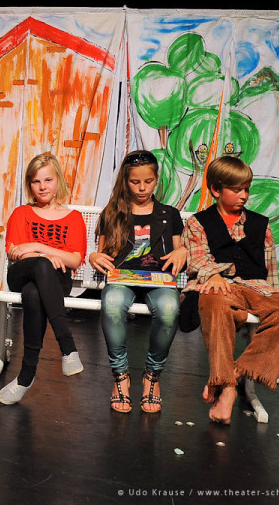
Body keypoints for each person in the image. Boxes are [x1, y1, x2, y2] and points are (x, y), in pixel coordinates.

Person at [182, 155, 279, 424]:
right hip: (217, 285)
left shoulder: (260, 224)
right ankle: (227, 390)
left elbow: (270, 268)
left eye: (246, 189)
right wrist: (214, 274)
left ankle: (231, 374)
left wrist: (275, 298)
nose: (244, 195)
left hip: (255, 286)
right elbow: (198, 259)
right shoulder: (198, 222)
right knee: (215, 300)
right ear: (216, 190)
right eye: (237, 190)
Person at [89, 150, 186, 413]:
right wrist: (94, 256)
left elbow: (178, 251)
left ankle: (152, 376)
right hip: (122, 277)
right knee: (112, 303)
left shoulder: (169, 214)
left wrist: (182, 252)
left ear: (156, 180)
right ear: (126, 181)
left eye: (148, 181)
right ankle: (120, 376)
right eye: (135, 182)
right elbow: (102, 252)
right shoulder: (113, 212)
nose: (142, 188)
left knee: (169, 309)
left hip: (158, 279)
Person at [0, 153, 87, 405]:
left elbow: (74, 260)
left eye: (48, 180)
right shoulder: (22, 213)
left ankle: (26, 375)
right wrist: (47, 257)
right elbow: (15, 252)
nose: (43, 187)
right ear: (30, 184)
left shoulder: (73, 218)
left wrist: (37, 246)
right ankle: (67, 346)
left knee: (34, 293)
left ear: (58, 181)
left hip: (55, 283)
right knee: (41, 266)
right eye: (36, 181)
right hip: (21, 273)